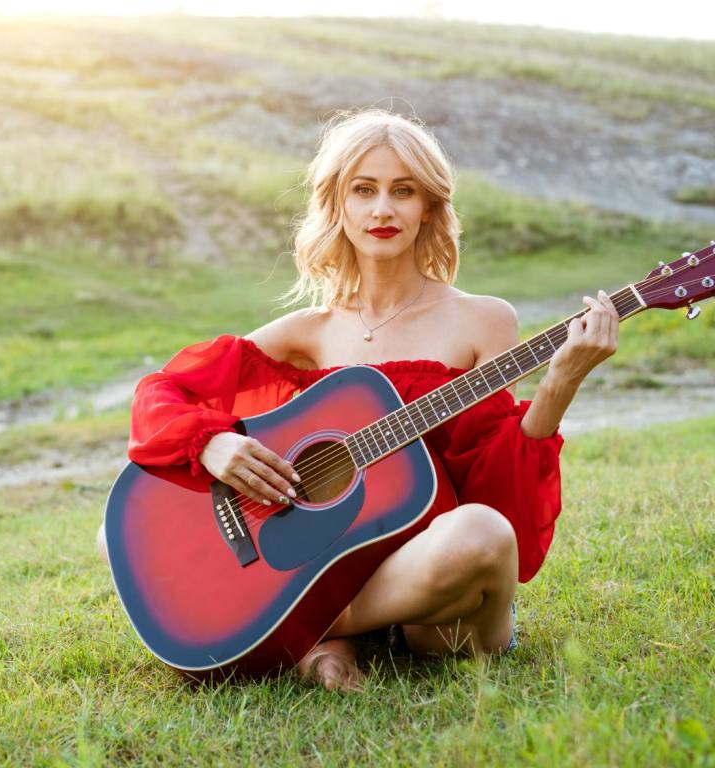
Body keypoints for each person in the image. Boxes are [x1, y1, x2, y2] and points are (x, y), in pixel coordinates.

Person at [97, 108, 619, 692]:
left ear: (429, 207)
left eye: (403, 191)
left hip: (431, 585)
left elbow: (497, 490)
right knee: (121, 534)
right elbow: (164, 390)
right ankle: (324, 634)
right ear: (338, 205)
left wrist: (561, 383)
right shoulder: (310, 331)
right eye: (363, 190)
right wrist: (213, 443)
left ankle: (308, 634)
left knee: (484, 532)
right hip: (339, 559)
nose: (382, 210)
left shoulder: (485, 320)